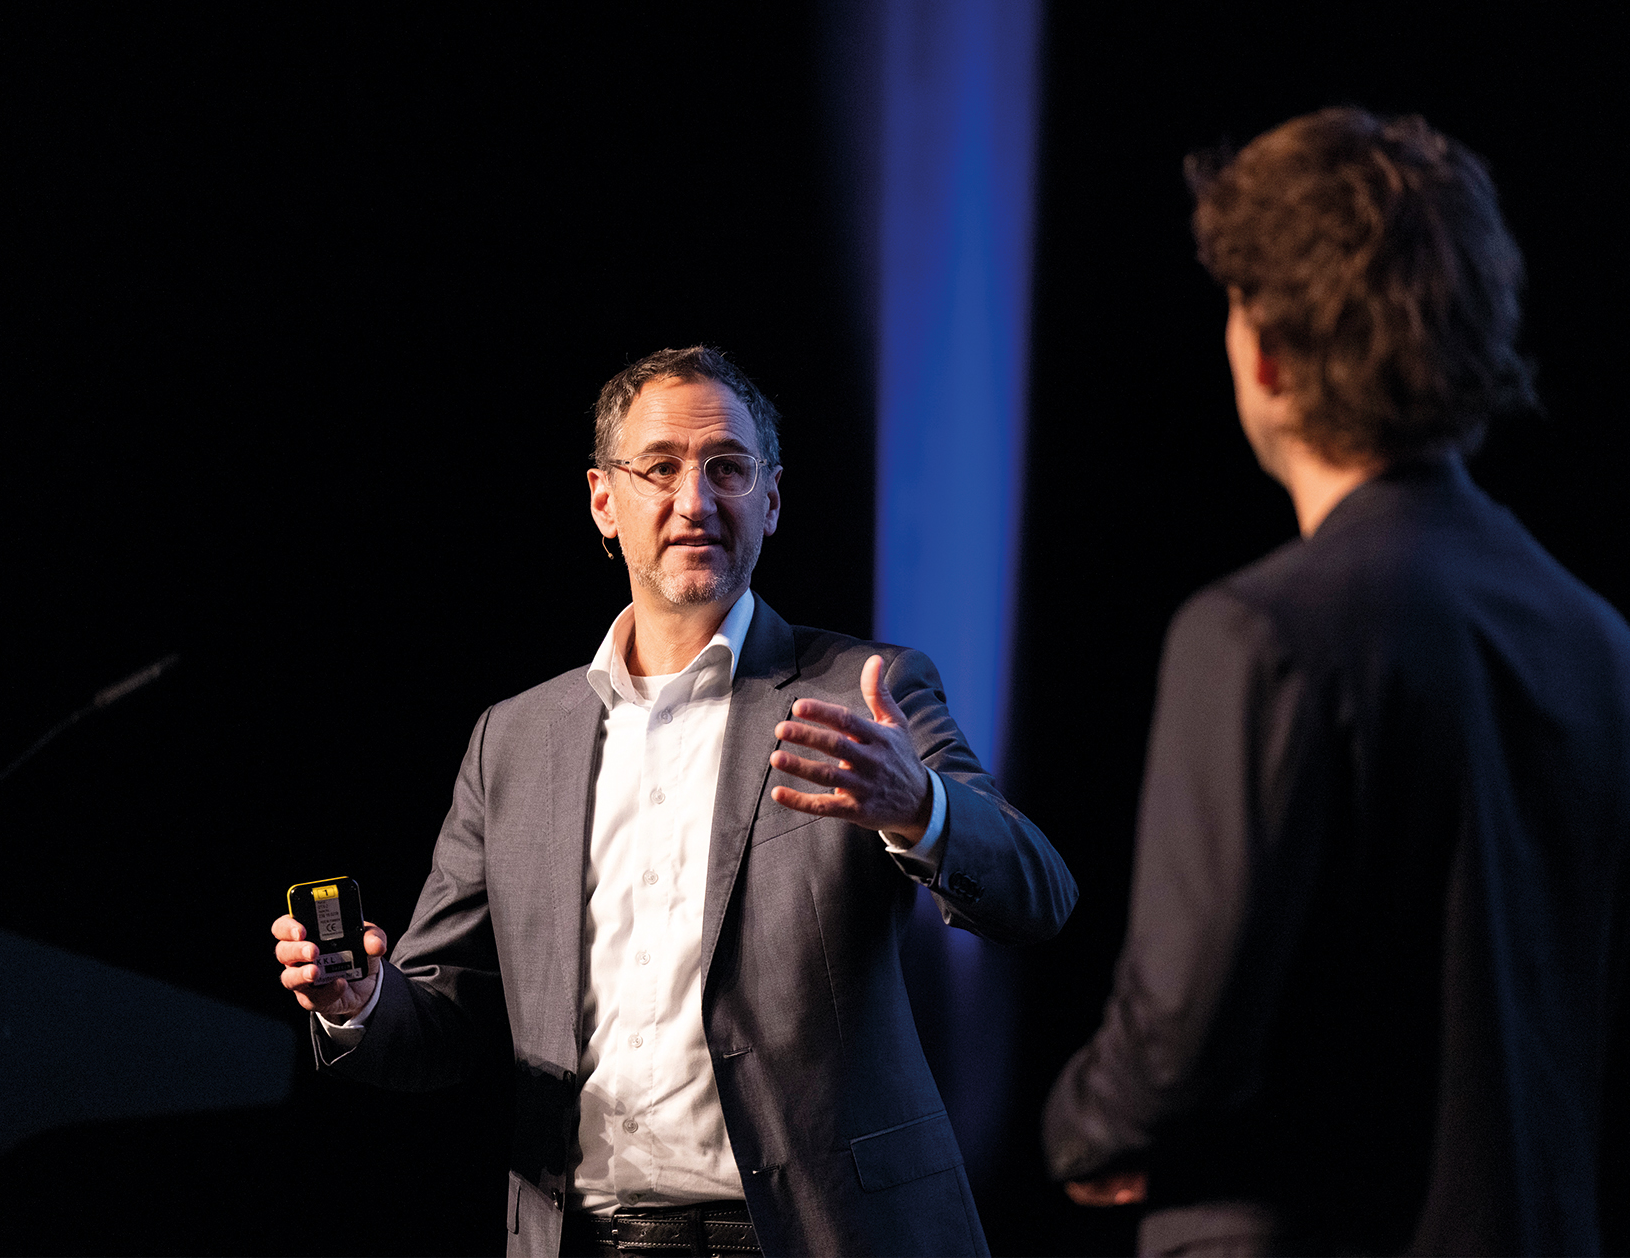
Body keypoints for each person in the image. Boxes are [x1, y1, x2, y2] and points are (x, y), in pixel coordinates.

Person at [1042, 109, 1630, 1256]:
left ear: (1266, 355)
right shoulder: (1620, 663)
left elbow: (1173, 1051)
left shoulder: (1253, 634)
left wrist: (1077, 1127)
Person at [273, 345, 1076, 1257]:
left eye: (727, 468)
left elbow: (1039, 892)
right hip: (589, 1237)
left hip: (820, 1234)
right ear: (602, 502)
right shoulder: (515, 740)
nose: (695, 501)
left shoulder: (865, 691)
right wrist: (359, 998)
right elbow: (443, 1018)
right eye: (660, 467)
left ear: (770, 500)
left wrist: (918, 804)